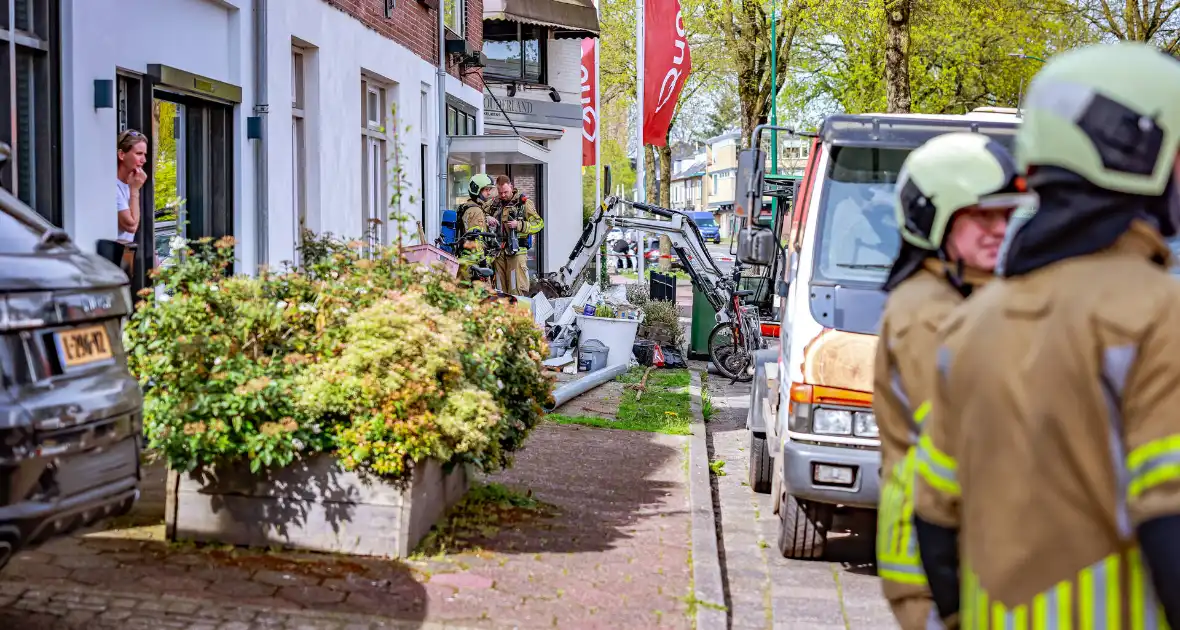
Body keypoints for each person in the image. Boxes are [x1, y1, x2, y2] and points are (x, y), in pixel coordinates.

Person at [913, 42, 1180, 628]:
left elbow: (932, 516)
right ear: (1136, 148)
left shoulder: (970, 323)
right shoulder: (1160, 314)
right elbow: (1170, 520)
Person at [873, 132, 1027, 630]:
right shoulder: (924, 311)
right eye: (981, 216)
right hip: (930, 551)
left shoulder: (968, 294)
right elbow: (961, 433)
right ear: (931, 217)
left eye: (1005, 216)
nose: (998, 229)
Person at [486, 175, 544, 295]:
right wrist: (487, 217)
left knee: (516, 288)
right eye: (500, 192)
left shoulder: (524, 203)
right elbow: (479, 213)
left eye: (505, 192)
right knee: (499, 289)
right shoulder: (493, 204)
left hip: (516, 253)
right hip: (498, 253)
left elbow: (539, 224)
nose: (502, 195)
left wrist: (519, 225)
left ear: (511, 187)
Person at [116, 129, 148, 243]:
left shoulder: (129, 183)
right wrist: (134, 190)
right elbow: (131, 226)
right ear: (121, 154)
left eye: (144, 154)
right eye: (139, 154)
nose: (143, 160)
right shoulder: (113, 187)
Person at [456, 173, 496, 257]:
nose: (489, 193)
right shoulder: (476, 211)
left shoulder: (467, 206)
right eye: (486, 190)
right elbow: (476, 240)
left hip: (465, 254)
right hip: (474, 258)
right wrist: (482, 260)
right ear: (477, 189)